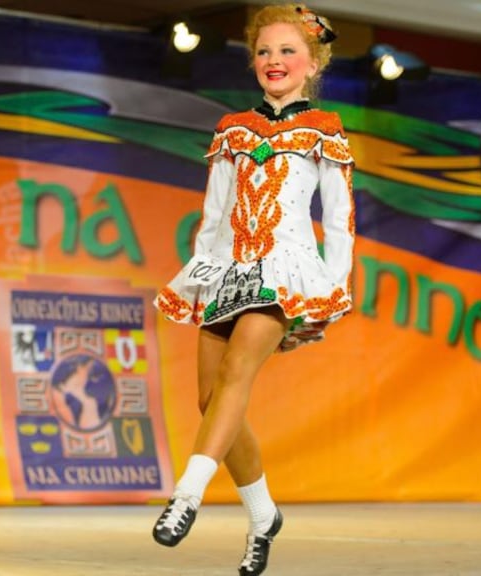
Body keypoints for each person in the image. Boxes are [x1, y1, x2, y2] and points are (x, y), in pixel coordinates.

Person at [151, 4, 353, 575]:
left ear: (313, 63)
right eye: (264, 51)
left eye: (288, 51)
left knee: (238, 373)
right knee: (210, 400)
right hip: (228, 269)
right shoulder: (233, 129)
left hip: (285, 270)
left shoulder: (326, 131)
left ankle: (186, 495)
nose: (274, 61)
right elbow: (214, 216)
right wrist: (200, 276)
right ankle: (263, 516)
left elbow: (339, 222)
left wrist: (327, 300)